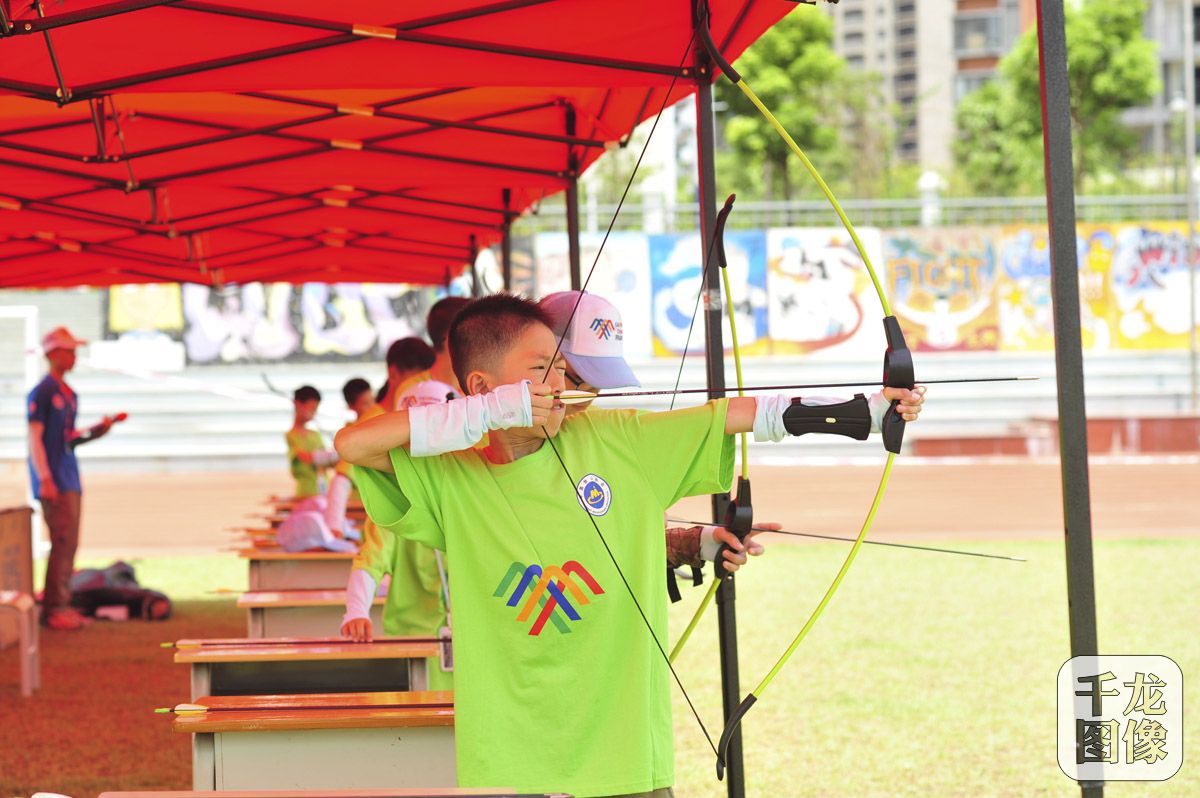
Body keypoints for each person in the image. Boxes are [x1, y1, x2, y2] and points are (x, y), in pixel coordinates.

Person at [336, 294, 925, 797]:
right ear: (480, 386)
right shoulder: (450, 476)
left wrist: (871, 413)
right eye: (541, 369)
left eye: (563, 371)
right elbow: (353, 444)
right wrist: (484, 415)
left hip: (623, 759)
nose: (561, 385)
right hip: (507, 763)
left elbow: (742, 415)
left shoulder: (618, 438)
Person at [539, 290, 767, 576]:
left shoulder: (598, 429)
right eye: (578, 379)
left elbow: (600, 544)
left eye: (597, 386)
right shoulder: (487, 444)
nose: (586, 398)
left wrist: (699, 544)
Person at [27, 327, 123, 631]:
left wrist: (99, 429)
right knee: (61, 541)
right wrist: (44, 476)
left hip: (69, 476)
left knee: (70, 544)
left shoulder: (68, 394)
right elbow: (35, 437)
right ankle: (53, 608)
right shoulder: (42, 392)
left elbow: (68, 438)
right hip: (53, 478)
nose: (74, 357)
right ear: (54, 354)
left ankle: (62, 604)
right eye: (69, 351)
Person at [286, 385, 337, 498]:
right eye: (311, 408)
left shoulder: (316, 434)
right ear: (298, 404)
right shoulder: (291, 436)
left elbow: (328, 462)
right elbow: (305, 457)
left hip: (324, 491)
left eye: (315, 409)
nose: (313, 413)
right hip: (305, 493)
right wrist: (329, 457)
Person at [377, 337, 435, 411]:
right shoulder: (371, 420)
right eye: (419, 379)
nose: (424, 386)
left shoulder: (416, 416)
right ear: (393, 374)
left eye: (428, 378)